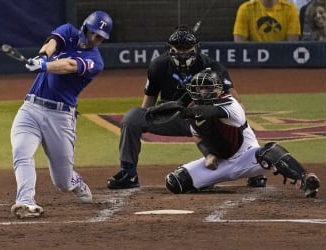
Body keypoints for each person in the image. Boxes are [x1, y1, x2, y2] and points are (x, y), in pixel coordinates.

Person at [106, 26, 251, 190]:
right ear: (170, 49)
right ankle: (128, 173)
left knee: (236, 117)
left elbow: (233, 98)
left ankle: (254, 170)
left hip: (204, 119)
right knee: (132, 118)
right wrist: (147, 118)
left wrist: (232, 113)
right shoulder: (158, 66)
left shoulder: (211, 66)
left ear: (196, 48)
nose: (183, 53)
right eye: (179, 49)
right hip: (172, 117)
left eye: (187, 48)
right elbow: (148, 104)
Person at [9, 11, 113, 219]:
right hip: (30, 108)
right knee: (21, 151)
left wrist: (45, 65)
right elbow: (52, 44)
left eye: (101, 37)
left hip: (60, 117)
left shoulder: (95, 61)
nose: (96, 39)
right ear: (85, 28)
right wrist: (42, 57)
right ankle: (26, 201)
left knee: (62, 182)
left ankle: (76, 182)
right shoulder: (68, 31)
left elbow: (69, 66)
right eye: (94, 33)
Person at [161, 68, 320, 198]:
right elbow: (197, 136)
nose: (203, 92)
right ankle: (208, 181)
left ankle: (304, 179)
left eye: (207, 88)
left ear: (218, 89)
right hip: (220, 162)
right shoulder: (192, 111)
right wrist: (208, 154)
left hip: (247, 156)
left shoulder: (230, 104)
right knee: (175, 182)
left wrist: (186, 111)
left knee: (270, 150)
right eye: (199, 88)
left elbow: (211, 111)